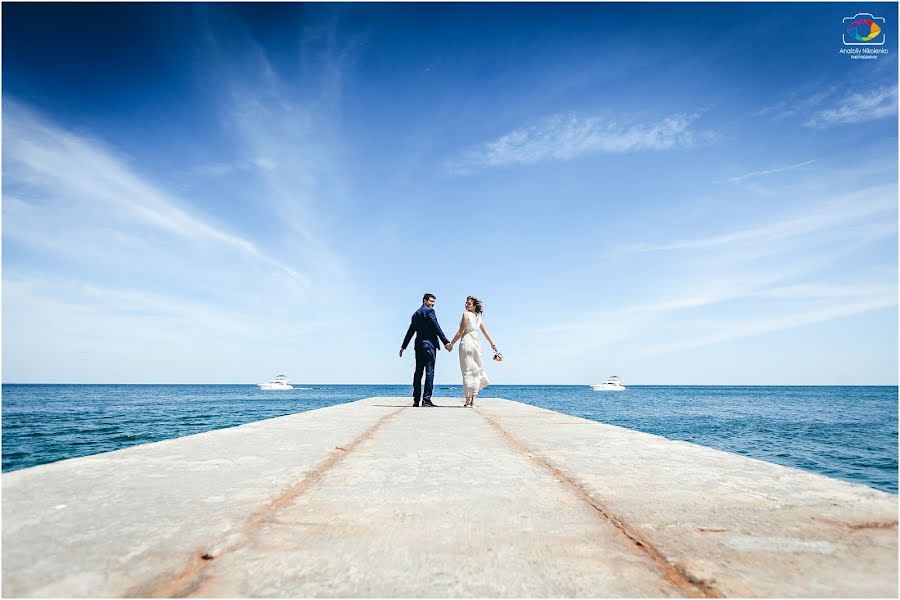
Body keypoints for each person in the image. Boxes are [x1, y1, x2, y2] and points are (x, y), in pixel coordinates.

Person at [400, 293, 452, 407]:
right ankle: (426, 400)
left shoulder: (415, 314)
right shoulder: (429, 311)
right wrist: (446, 342)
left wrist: (403, 346)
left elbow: (410, 332)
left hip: (418, 346)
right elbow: (436, 326)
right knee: (429, 372)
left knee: (418, 373)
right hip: (429, 346)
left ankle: (416, 399)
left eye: (433, 302)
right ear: (424, 301)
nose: (432, 304)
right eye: (431, 301)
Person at [448, 296, 498, 408]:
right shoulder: (478, 317)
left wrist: (451, 344)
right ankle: (474, 401)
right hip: (477, 344)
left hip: (466, 342)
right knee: (476, 372)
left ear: (475, 306)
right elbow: (485, 332)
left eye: (469, 304)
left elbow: (461, 331)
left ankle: (467, 401)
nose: (466, 305)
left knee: (467, 372)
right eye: (466, 303)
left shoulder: (466, 314)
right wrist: (492, 344)